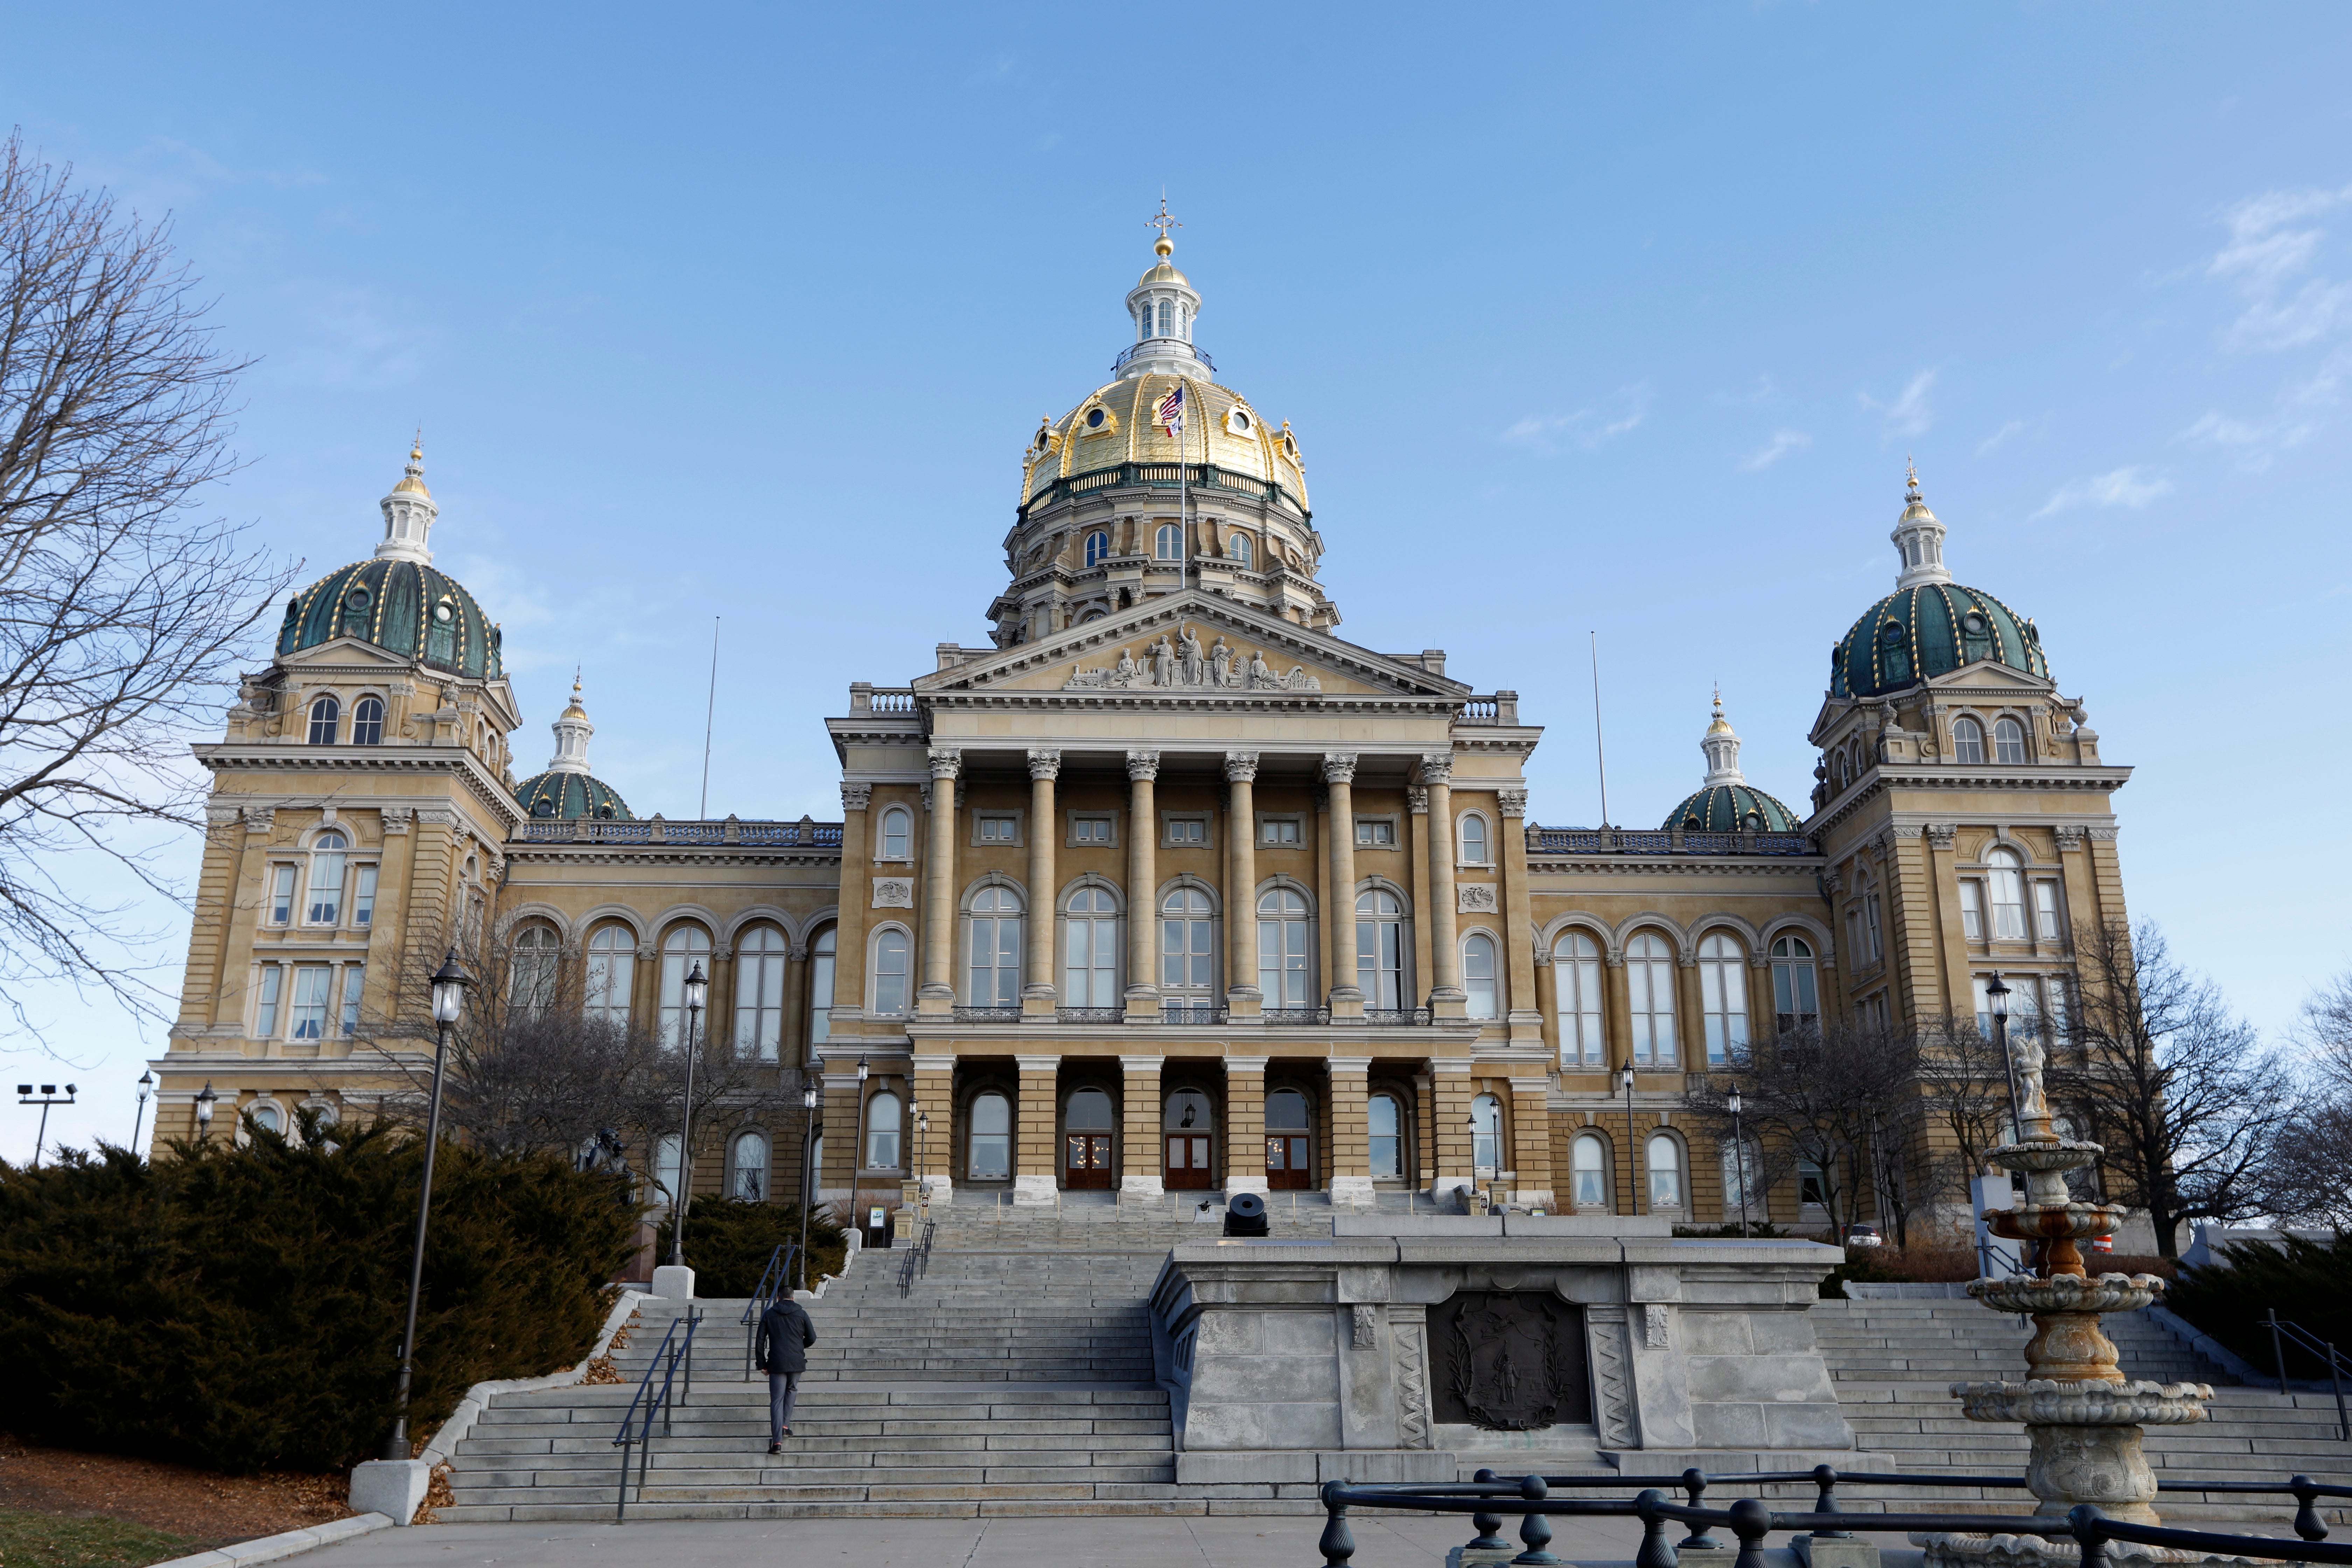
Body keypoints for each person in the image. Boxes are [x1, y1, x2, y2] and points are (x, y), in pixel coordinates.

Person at [755, 1292, 818, 1452]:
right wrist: (799, 1348)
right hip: (796, 1361)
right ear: (793, 1298)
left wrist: (762, 1364)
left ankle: (777, 1443)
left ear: (778, 1299)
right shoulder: (802, 1313)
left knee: (776, 1400)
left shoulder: (769, 1314)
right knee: (792, 1390)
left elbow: (760, 1341)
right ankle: (785, 1426)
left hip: (776, 1362)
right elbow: (812, 1338)